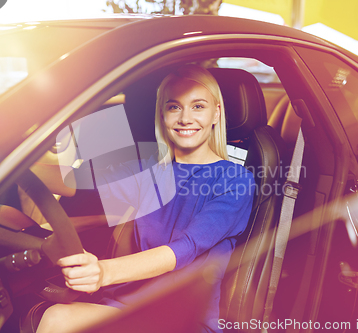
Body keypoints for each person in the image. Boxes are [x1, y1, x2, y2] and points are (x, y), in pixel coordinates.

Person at [37, 64, 255, 333]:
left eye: (198, 106)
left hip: (182, 319)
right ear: (162, 114)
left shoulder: (235, 180)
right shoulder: (148, 170)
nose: (185, 118)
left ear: (215, 113)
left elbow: (184, 249)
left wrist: (103, 272)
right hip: (124, 305)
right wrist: (2, 167)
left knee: (57, 319)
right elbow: (75, 181)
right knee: (54, 316)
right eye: (174, 107)